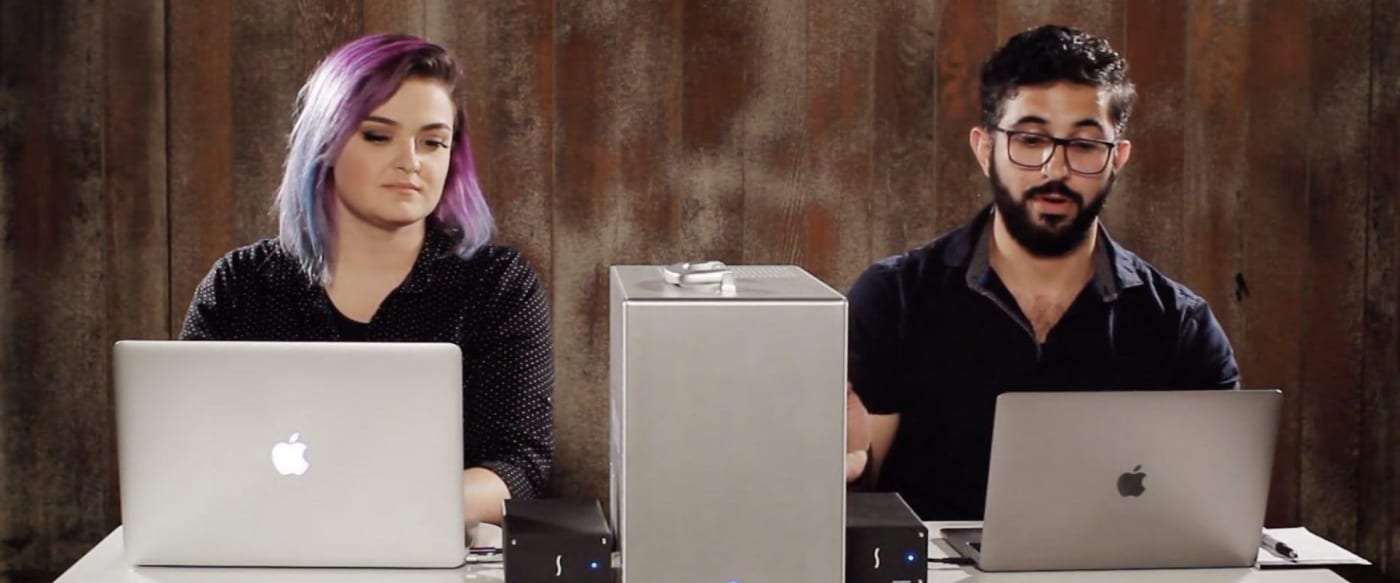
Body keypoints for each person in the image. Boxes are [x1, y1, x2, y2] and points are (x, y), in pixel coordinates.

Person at [843, 25, 1239, 520]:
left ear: (1117, 159)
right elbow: (861, 493)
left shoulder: (1180, 326)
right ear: (985, 149)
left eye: (1085, 145)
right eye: (1030, 140)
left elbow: (1212, 513)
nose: (1055, 169)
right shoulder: (894, 298)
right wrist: (847, 468)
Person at [179, 33, 553, 527]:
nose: (411, 162)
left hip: (424, 549)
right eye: (378, 136)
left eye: (433, 142)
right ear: (325, 144)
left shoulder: (497, 284)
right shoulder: (240, 284)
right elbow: (184, 453)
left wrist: (358, 508)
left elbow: (517, 467)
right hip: (257, 542)